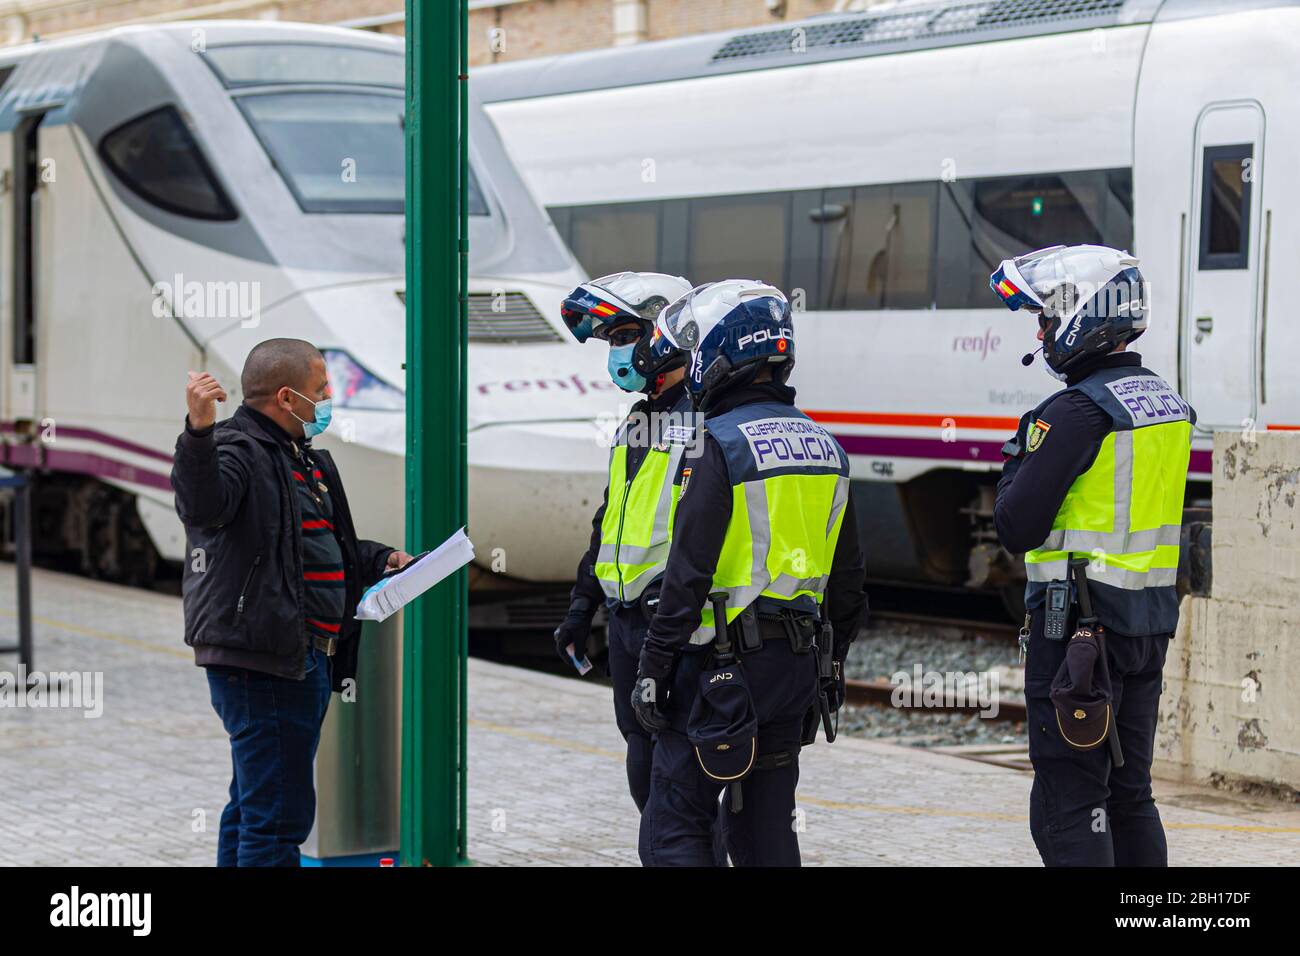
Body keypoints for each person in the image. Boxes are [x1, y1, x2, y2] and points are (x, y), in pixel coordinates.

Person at [630, 279, 868, 867]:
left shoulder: (718, 445)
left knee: (675, 826)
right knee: (766, 831)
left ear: (720, 353)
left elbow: (686, 577)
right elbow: (849, 583)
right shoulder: (826, 449)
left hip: (717, 672)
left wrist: (653, 670)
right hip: (794, 670)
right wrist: (830, 664)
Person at [990, 244, 1194, 866]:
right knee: (1131, 794)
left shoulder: (1078, 412)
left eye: (1048, 317)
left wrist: (1019, 457)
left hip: (1078, 638)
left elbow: (1016, 525)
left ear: (1085, 315)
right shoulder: (1166, 405)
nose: (1042, 331)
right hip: (1146, 629)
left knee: (1069, 801)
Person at [172, 338, 412, 866]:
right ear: (286, 396)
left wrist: (380, 559)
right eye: (321, 388)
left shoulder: (300, 458)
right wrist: (198, 430)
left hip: (297, 655)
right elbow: (201, 505)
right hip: (266, 659)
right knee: (277, 819)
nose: (329, 396)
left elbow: (315, 545)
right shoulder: (236, 447)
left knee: (255, 804)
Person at [553, 271, 696, 812]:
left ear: (666, 333)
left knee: (682, 788)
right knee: (643, 764)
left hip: (676, 624)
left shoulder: (704, 420)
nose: (615, 353)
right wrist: (581, 607)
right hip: (626, 623)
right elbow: (610, 519)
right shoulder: (640, 419)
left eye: (623, 336)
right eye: (610, 341)